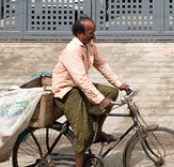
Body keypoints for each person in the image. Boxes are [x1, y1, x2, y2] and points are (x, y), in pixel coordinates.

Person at [52, 16, 131, 167]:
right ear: (80, 33)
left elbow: (102, 65)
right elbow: (81, 79)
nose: (94, 35)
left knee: (111, 92)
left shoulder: (89, 45)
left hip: (78, 87)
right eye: (90, 33)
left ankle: (97, 133)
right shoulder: (72, 50)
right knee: (84, 131)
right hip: (66, 91)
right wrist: (100, 100)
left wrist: (118, 83)